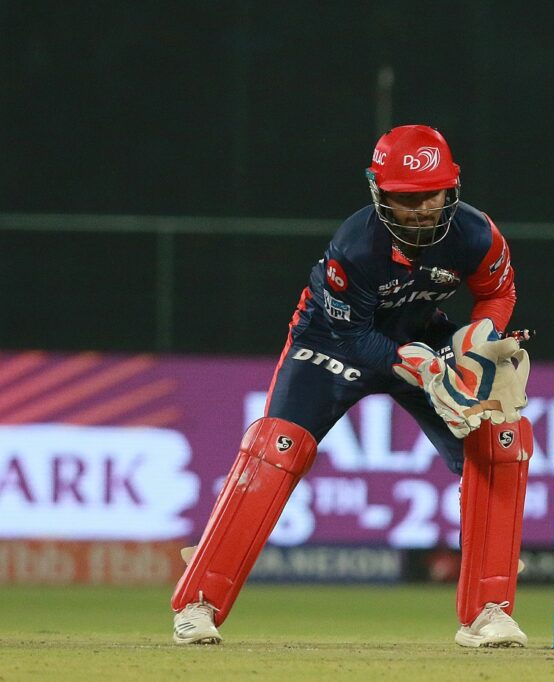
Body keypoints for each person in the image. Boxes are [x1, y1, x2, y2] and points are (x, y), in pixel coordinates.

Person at [170, 125, 534, 649]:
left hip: (421, 335)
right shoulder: (357, 244)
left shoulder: (478, 234)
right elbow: (353, 335)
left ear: (451, 189)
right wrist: (425, 370)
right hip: (335, 341)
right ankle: (198, 603)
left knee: (498, 440)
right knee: (278, 446)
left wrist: (478, 341)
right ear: (379, 194)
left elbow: (498, 290)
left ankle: (489, 612)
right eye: (404, 199)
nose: (420, 210)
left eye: (430, 195)